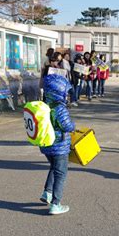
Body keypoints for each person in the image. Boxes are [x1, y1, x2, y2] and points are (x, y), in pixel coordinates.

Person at [40, 74, 76, 215]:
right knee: (61, 173)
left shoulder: (43, 106)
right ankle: (56, 204)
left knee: (53, 167)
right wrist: (73, 126)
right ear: (59, 92)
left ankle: (47, 193)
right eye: (65, 92)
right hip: (59, 146)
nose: (67, 95)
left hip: (46, 145)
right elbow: (67, 126)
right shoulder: (59, 108)